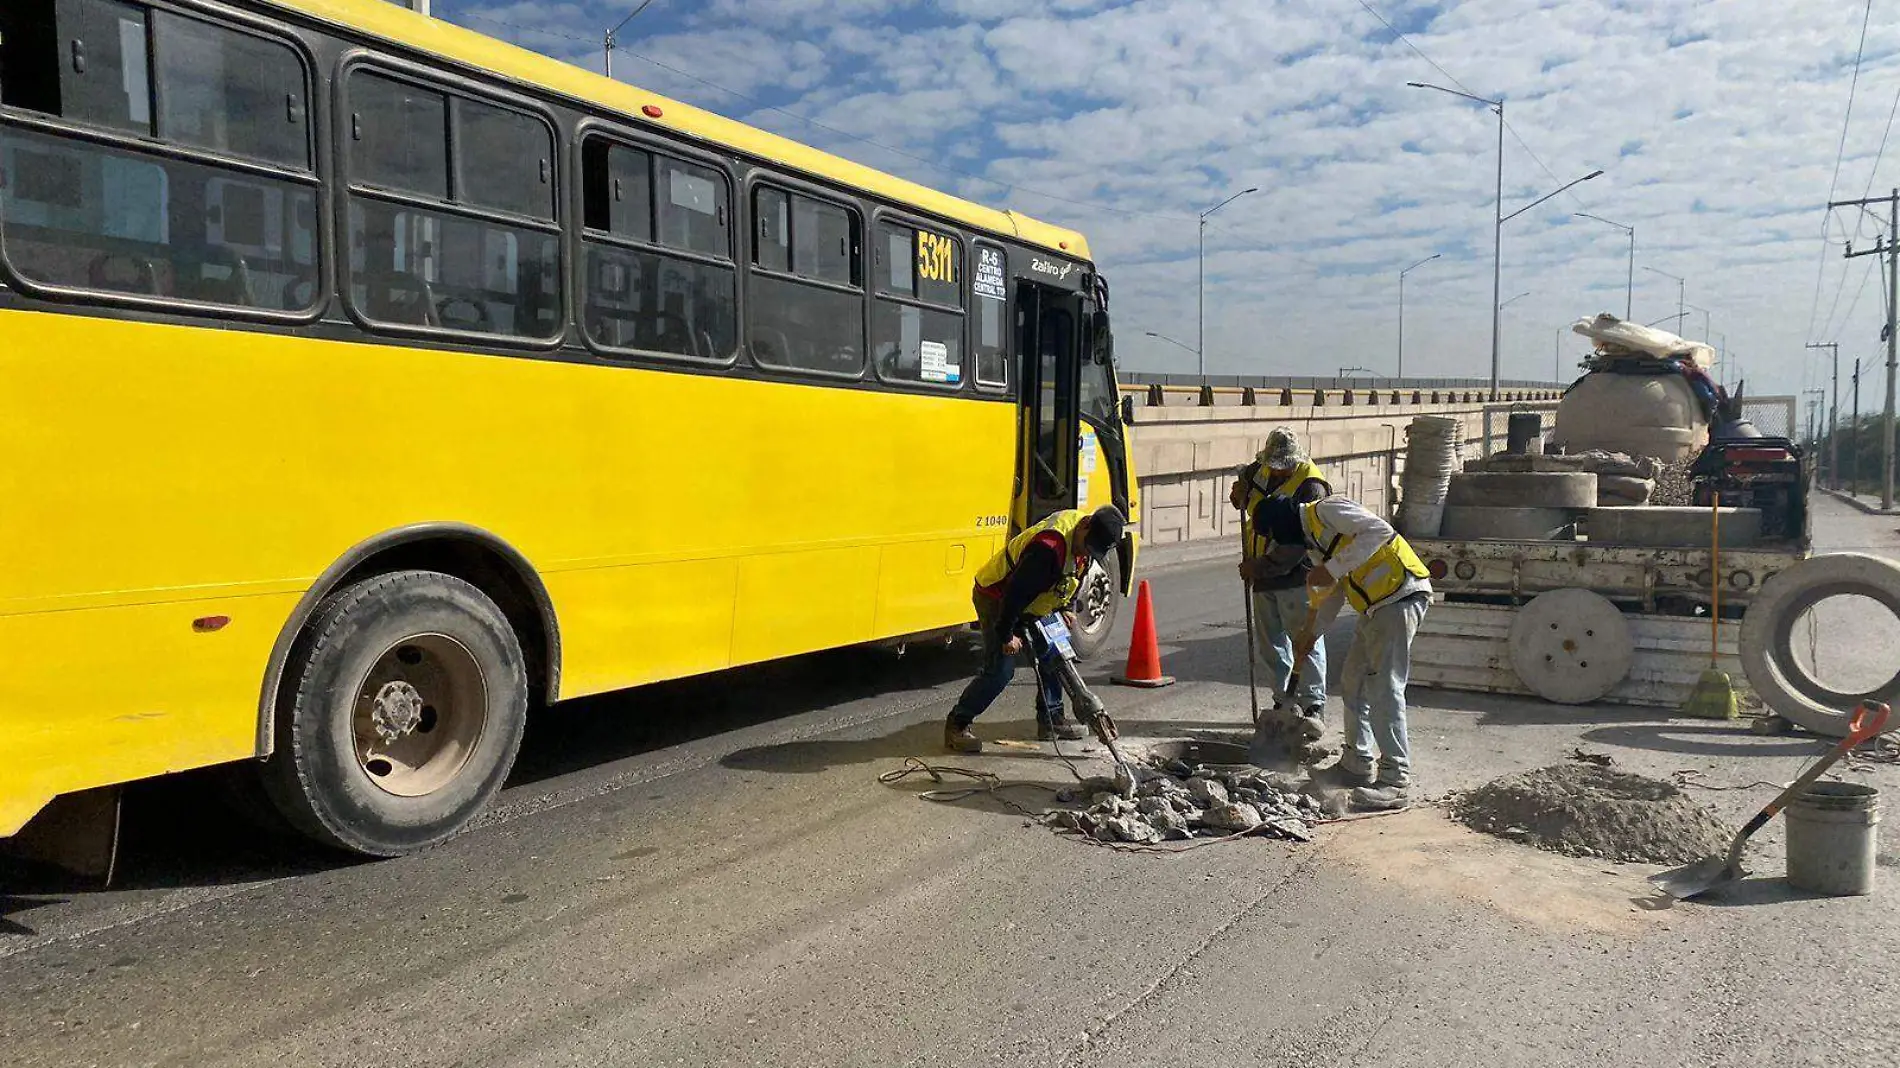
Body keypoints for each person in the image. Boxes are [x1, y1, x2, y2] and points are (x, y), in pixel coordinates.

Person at [1252, 492, 1432, 810]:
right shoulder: (1314, 541)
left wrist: (1333, 567)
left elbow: (1379, 531)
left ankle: (1395, 779)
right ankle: (1357, 764)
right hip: (1375, 607)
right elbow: (1333, 591)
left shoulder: (1330, 510)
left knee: (1384, 688)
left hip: (1400, 595)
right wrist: (1312, 633)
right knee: (1352, 683)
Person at [945, 505, 1127, 754]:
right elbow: (1014, 595)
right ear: (1085, 525)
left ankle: (1052, 721)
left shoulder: (1086, 542)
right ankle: (958, 724)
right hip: (999, 598)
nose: (1087, 553)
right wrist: (1007, 634)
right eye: (1088, 546)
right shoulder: (1048, 549)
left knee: (1056, 654)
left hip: (1039, 599)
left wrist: (1066, 606)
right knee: (1000, 670)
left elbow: (1076, 573)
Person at [1230, 428, 1332, 739]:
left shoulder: (1311, 487)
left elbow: (1297, 544)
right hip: (1262, 575)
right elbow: (1245, 483)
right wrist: (1240, 492)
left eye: (1281, 465)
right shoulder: (1260, 470)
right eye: (1272, 463)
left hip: (1296, 574)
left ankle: (1312, 705)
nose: (1276, 470)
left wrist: (1258, 566)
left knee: (1304, 641)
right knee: (1271, 643)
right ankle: (1284, 701)